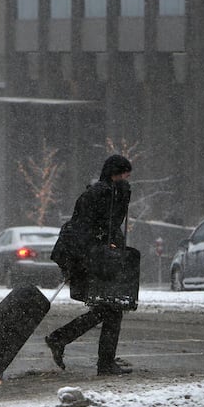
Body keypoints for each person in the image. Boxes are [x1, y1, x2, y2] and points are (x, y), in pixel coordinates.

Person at [46, 154, 133, 375]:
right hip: (88, 259)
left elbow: (108, 227)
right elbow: (95, 229)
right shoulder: (101, 195)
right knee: (111, 309)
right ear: (116, 173)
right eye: (125, 175)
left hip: (89, 258)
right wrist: (80, 262)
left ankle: (61, 339)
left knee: (107, 308)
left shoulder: (105, 193)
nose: (127, 180)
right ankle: (103, 363)